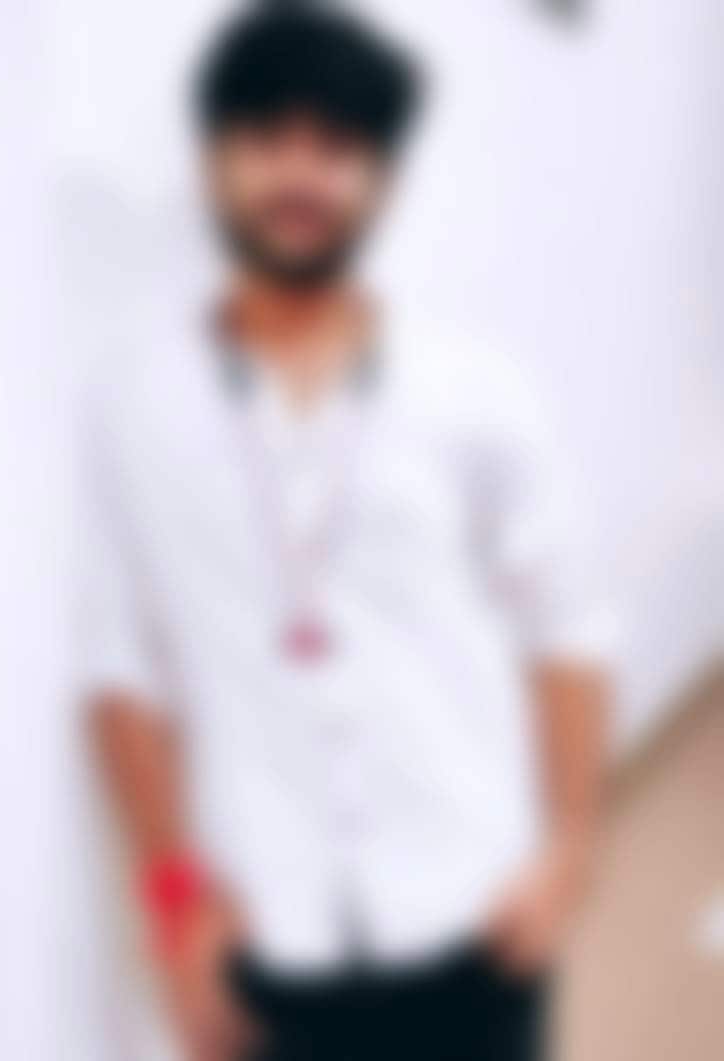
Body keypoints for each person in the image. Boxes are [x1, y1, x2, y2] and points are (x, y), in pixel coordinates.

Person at [85, 3, 612, 1059]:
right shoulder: (140, 410)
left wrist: (567, 847)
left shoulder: (475, 391)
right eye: (266, 137)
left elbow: (567, 626)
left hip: (472, 915)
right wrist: (174, 904)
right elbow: (121, 669)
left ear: (382, 179)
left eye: (336, 145)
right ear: (213, 161)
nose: (300, 174)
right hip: (265, 938)